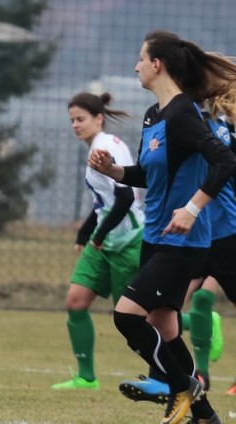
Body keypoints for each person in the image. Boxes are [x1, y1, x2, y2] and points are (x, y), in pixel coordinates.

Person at [88, 30, 236, 424]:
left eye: (140, 58)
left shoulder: (185, 114)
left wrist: (191, 208)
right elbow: (150, 174)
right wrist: (113, 170)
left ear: (158, 65)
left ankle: (182, 387)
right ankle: (204, 416)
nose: (135, 65)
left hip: (184, 243)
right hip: (155, 238)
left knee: (127, 316)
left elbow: (224, 161)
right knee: (164, 327)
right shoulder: (155, 115)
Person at [119, 112, 236, 404]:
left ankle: (182, 380)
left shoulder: (211, 129)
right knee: (162, 310)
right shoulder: (178, 120)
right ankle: (171, 381)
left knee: (178, 307)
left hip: (223, 233)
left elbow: (224, 164)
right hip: (191, 234)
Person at [50, 92, 144, 391]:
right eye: (72, 121)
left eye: (81, 119)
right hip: (104, 239)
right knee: (76, 301)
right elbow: (103, 202)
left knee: (137, 317)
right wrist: (85, 234)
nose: (75, 125)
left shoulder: (105, 148)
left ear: (98, 119)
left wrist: (98, 236)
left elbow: (126, 196)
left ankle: (201, 320)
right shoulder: (98, 147)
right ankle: (86, 377)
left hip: (128, 239)